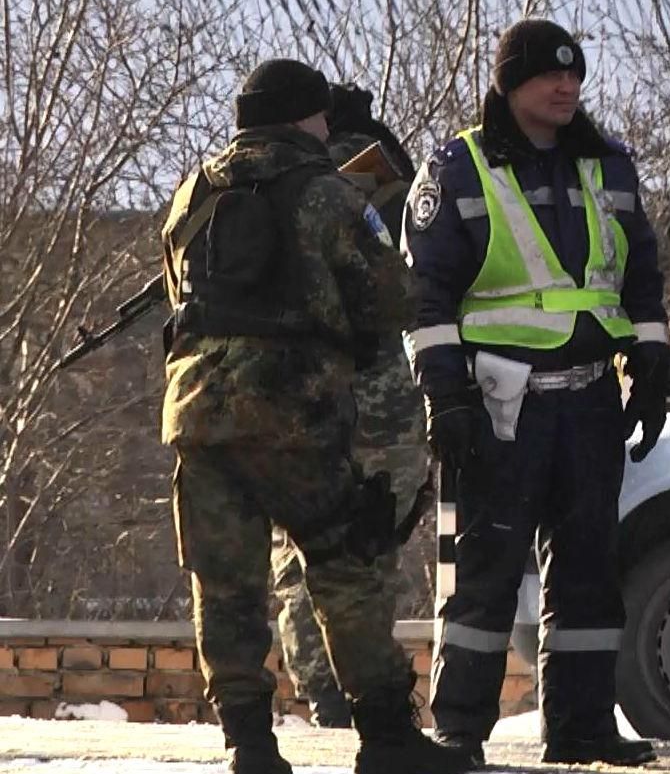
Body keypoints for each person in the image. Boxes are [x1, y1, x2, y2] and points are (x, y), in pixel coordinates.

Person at [159, 58, 469, 774]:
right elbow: (392, 300)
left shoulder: (191, 194)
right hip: (298, 415)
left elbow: (180, 292)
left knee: (225, 582)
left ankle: (249, 741)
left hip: (198, 416)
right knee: (345, 565)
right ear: (305, 117)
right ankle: (387, 735)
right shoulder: (330, 195)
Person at [402, 19, 669, 767]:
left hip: (588, 399)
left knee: (589, 571)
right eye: (549, 77)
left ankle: (582, 726)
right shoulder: (459, 167)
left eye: (574, 76)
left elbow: (641, 276)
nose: (565, 88)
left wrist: (650, 372)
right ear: (509, 84)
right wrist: (445, 398)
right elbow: (424, 299)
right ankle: (459, 728)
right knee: (485, 573)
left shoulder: (609, 164)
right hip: (500, 403)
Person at [269, 82, 427, 730]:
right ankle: (359, 682)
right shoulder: (379, 163)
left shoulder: (327, 173)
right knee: (371, 537)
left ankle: (329, 687)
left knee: (306, 543)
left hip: (331, 386)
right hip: (386, 391)